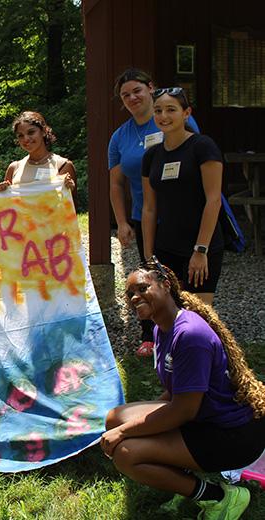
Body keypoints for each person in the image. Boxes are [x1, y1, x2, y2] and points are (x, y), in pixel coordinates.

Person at [103, 258, 265, 520]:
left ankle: (219, 497)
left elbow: (184, 410)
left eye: (142, 288)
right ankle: (179, 474)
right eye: (130, 293)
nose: (134, 297)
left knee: (126, 454)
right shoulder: (161, 328)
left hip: (231, 435)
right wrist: (143, 423)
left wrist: (129, 431)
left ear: (166, 285)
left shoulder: (189, 335)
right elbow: (178, 390)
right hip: (201, 415)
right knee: (115, 418)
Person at [108, 69, 199, 356]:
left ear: (151, 88)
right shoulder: (120, 137)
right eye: (126, 95)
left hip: (182, 214)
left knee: (185, 279)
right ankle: (151, 336)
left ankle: (190, 335)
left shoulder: (174, 119)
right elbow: (116, 183)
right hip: (145, 215)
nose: (132, 98)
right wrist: (121, 222)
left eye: (137, 90)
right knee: (149, 280)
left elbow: (198, 162)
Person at [141, 87, 224, 306]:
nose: (163, 116)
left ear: (186, 113)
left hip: (200, 246)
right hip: (165, 247)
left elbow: (213, 200)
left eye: (171, 109)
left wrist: (201, 250)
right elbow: (149, 208)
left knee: (197, 316)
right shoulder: (151, 156)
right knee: (166, 313)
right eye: (158, 110)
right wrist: (150, 256)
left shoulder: (203, 147)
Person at [0, 111, 77, 207]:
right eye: (20, 135)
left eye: (31, 132)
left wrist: (70, 189)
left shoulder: (63, 165)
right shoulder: (14, 168)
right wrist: (1, 192)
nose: (26, 139)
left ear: (43, 131)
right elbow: (6, 208)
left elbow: (71, 209)